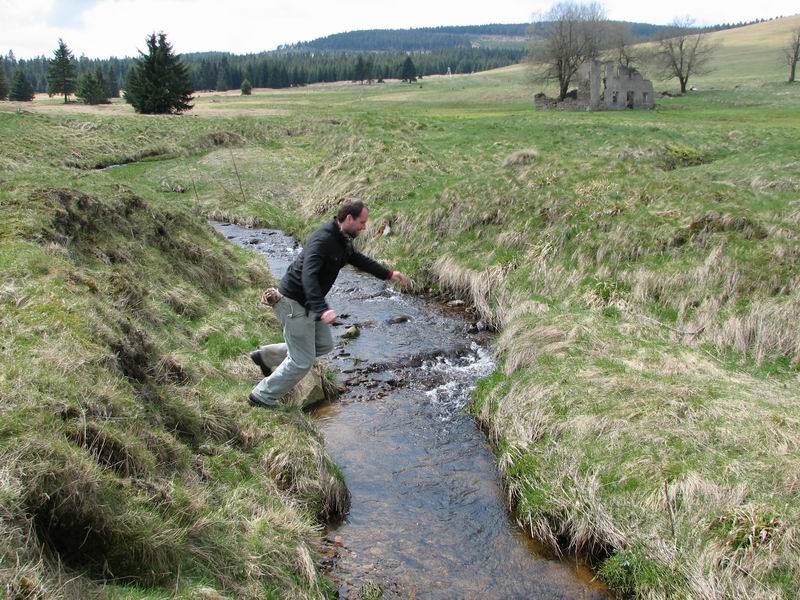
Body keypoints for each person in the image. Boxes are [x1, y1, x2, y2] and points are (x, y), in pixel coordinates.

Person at [248, 200, 411, 408]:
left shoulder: (341, 238)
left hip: (308, 304)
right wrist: (322, 308)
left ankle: (265, 356)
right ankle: (262, 396)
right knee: (302, 362)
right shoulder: (323, 240)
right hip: (293, 304)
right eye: (362, 222)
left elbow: (357, 259)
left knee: (324, 344)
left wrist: (388, 274)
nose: (364, 227)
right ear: (349, 218)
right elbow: (308, 277)